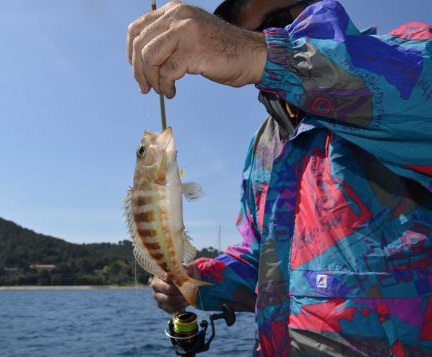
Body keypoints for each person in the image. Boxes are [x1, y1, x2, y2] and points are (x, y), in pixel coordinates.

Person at [127, 0, 432, 355]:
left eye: (264, 27)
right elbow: (263, 261)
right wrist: (196, 284)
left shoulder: (407, 53)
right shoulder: (264, 146)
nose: (245, 40)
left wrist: (268, 57)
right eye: (237, 32)